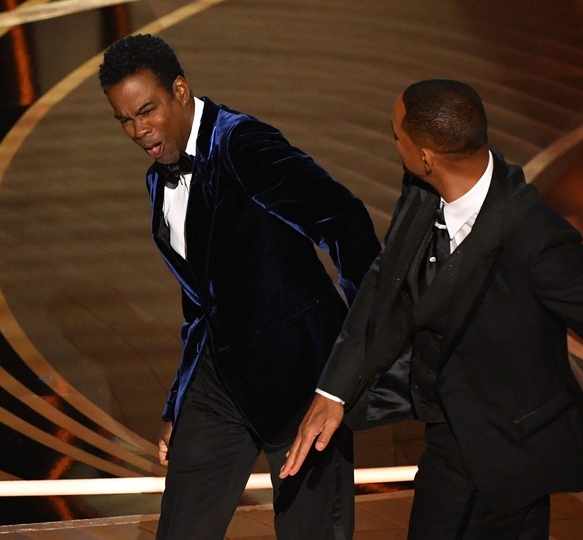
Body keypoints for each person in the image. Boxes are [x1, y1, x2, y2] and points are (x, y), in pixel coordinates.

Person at [280, 79, 583, 539]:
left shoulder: (535, 238)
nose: (393, 142)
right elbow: (390, 282)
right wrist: (335, 390)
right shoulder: (423, 187)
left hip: (507, 441)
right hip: (455, 430)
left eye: (396, 135)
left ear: (426, 156)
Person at [98, 34, 380, 539]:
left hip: (301, 381)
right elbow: (199, 298)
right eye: (124, 119)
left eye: (147, 111)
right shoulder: (159, 178)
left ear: (180, 91)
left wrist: (351, 360)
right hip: (220, 377)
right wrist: (178, 402)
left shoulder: (243, 145)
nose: (138, 130)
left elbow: (346, 223)